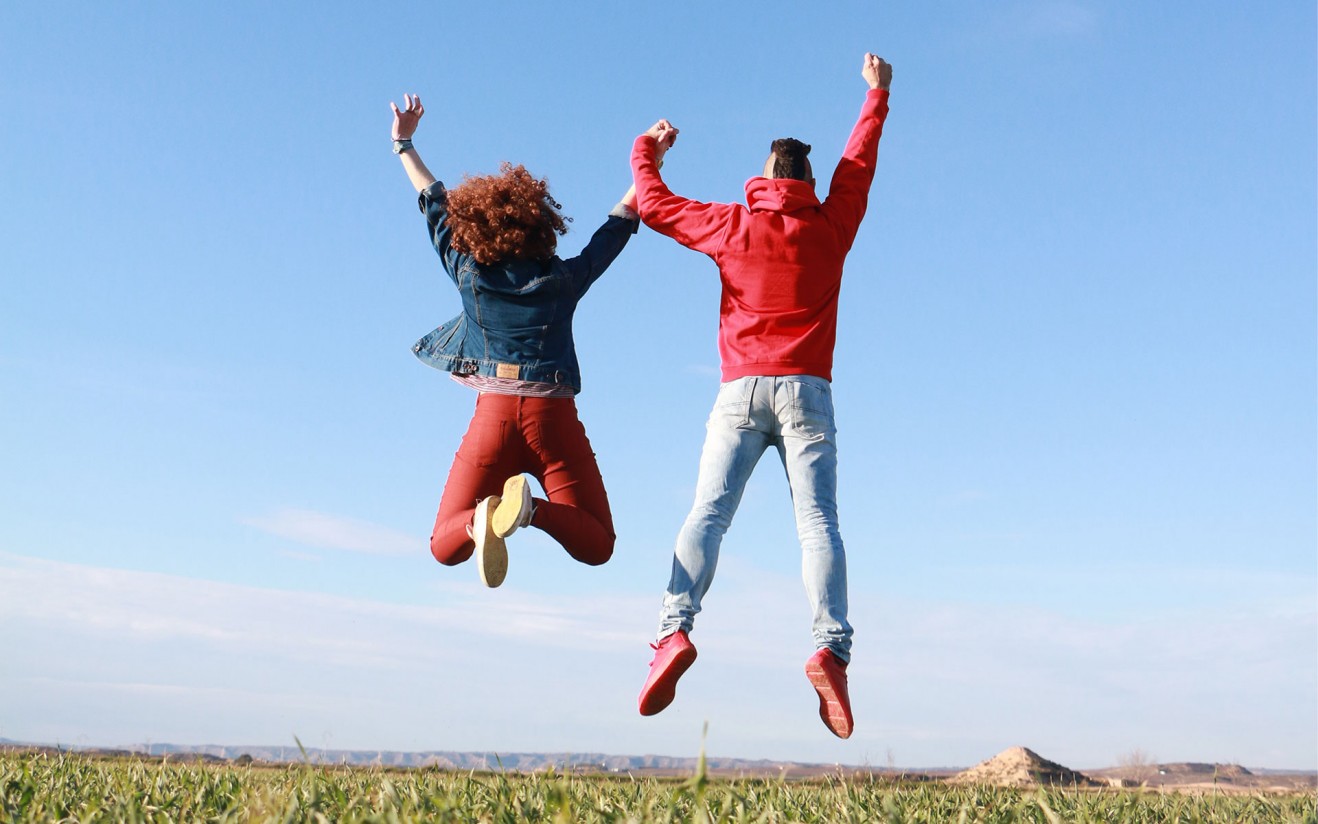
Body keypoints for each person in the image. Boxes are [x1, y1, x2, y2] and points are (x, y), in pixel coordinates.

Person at [630, 54, 893, 738]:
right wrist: (876, 96)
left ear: (765, 178)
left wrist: (647, 149)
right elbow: (857, 168)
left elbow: (654, 205)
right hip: (809, 392)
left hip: (740, 391)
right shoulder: (831, 228)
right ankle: (831, 649)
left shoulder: (733, 226)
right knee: (818, 525)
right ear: (807, 182)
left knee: (707, 516)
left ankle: (672, 633)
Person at [391, 93, 647, 588]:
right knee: (597, 543)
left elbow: (435, 206)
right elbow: (612, 233)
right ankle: (530, 512)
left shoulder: (468, 272)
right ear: (542, 226)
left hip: (493, 417)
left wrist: (404, 143)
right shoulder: (562, 282)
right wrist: (647, 167)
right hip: (553, 421)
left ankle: (482, 518)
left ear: (477, 223)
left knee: (445, 544)